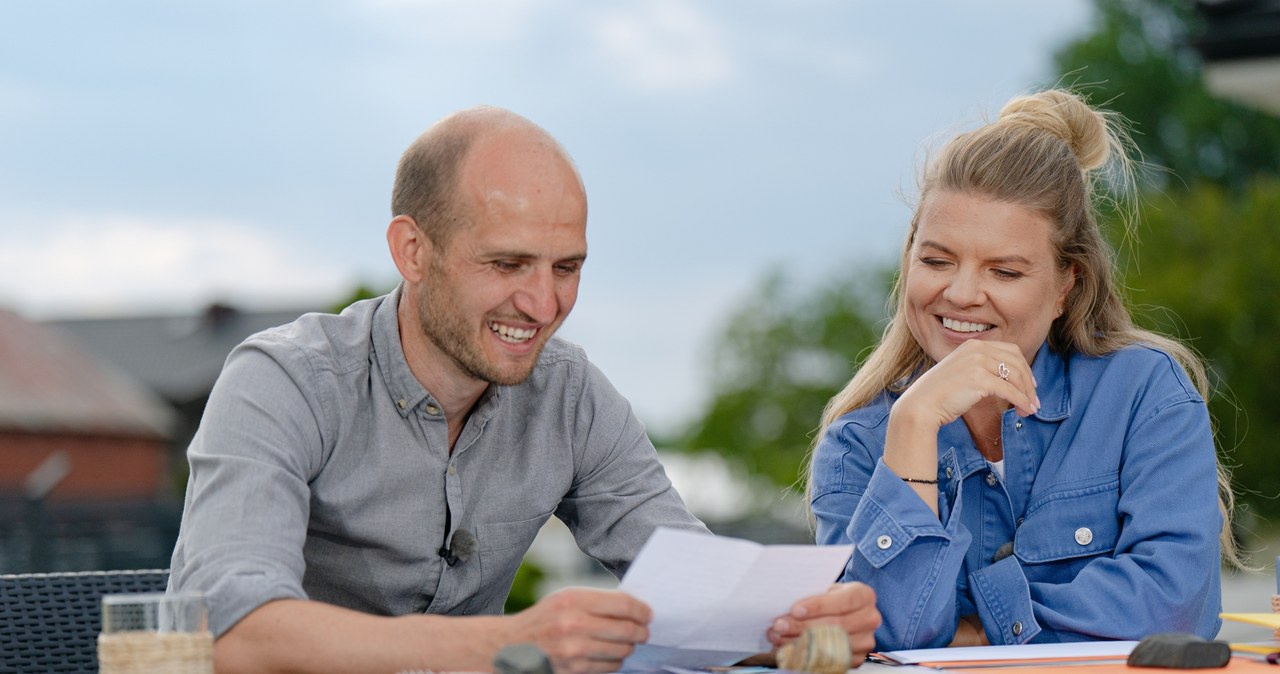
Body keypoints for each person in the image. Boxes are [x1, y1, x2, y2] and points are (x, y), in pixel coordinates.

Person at [168, 105, 880, 674]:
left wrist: (797, 624)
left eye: (566, 267)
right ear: (413, 251)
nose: (543, 305)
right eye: (508, 264)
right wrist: (507, 646)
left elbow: (694, 593)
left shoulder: (569, 395)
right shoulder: (284, 382)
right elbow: (227, 635)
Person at [806, 89, 1235, 649]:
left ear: (1065, 285)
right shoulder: (858, 443)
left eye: (1004, 272)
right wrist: (913, 426)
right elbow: (882, 636)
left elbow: (1176, 608)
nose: (961, 294)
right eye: (936, 260)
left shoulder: (1144, 393)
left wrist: (977, 631)